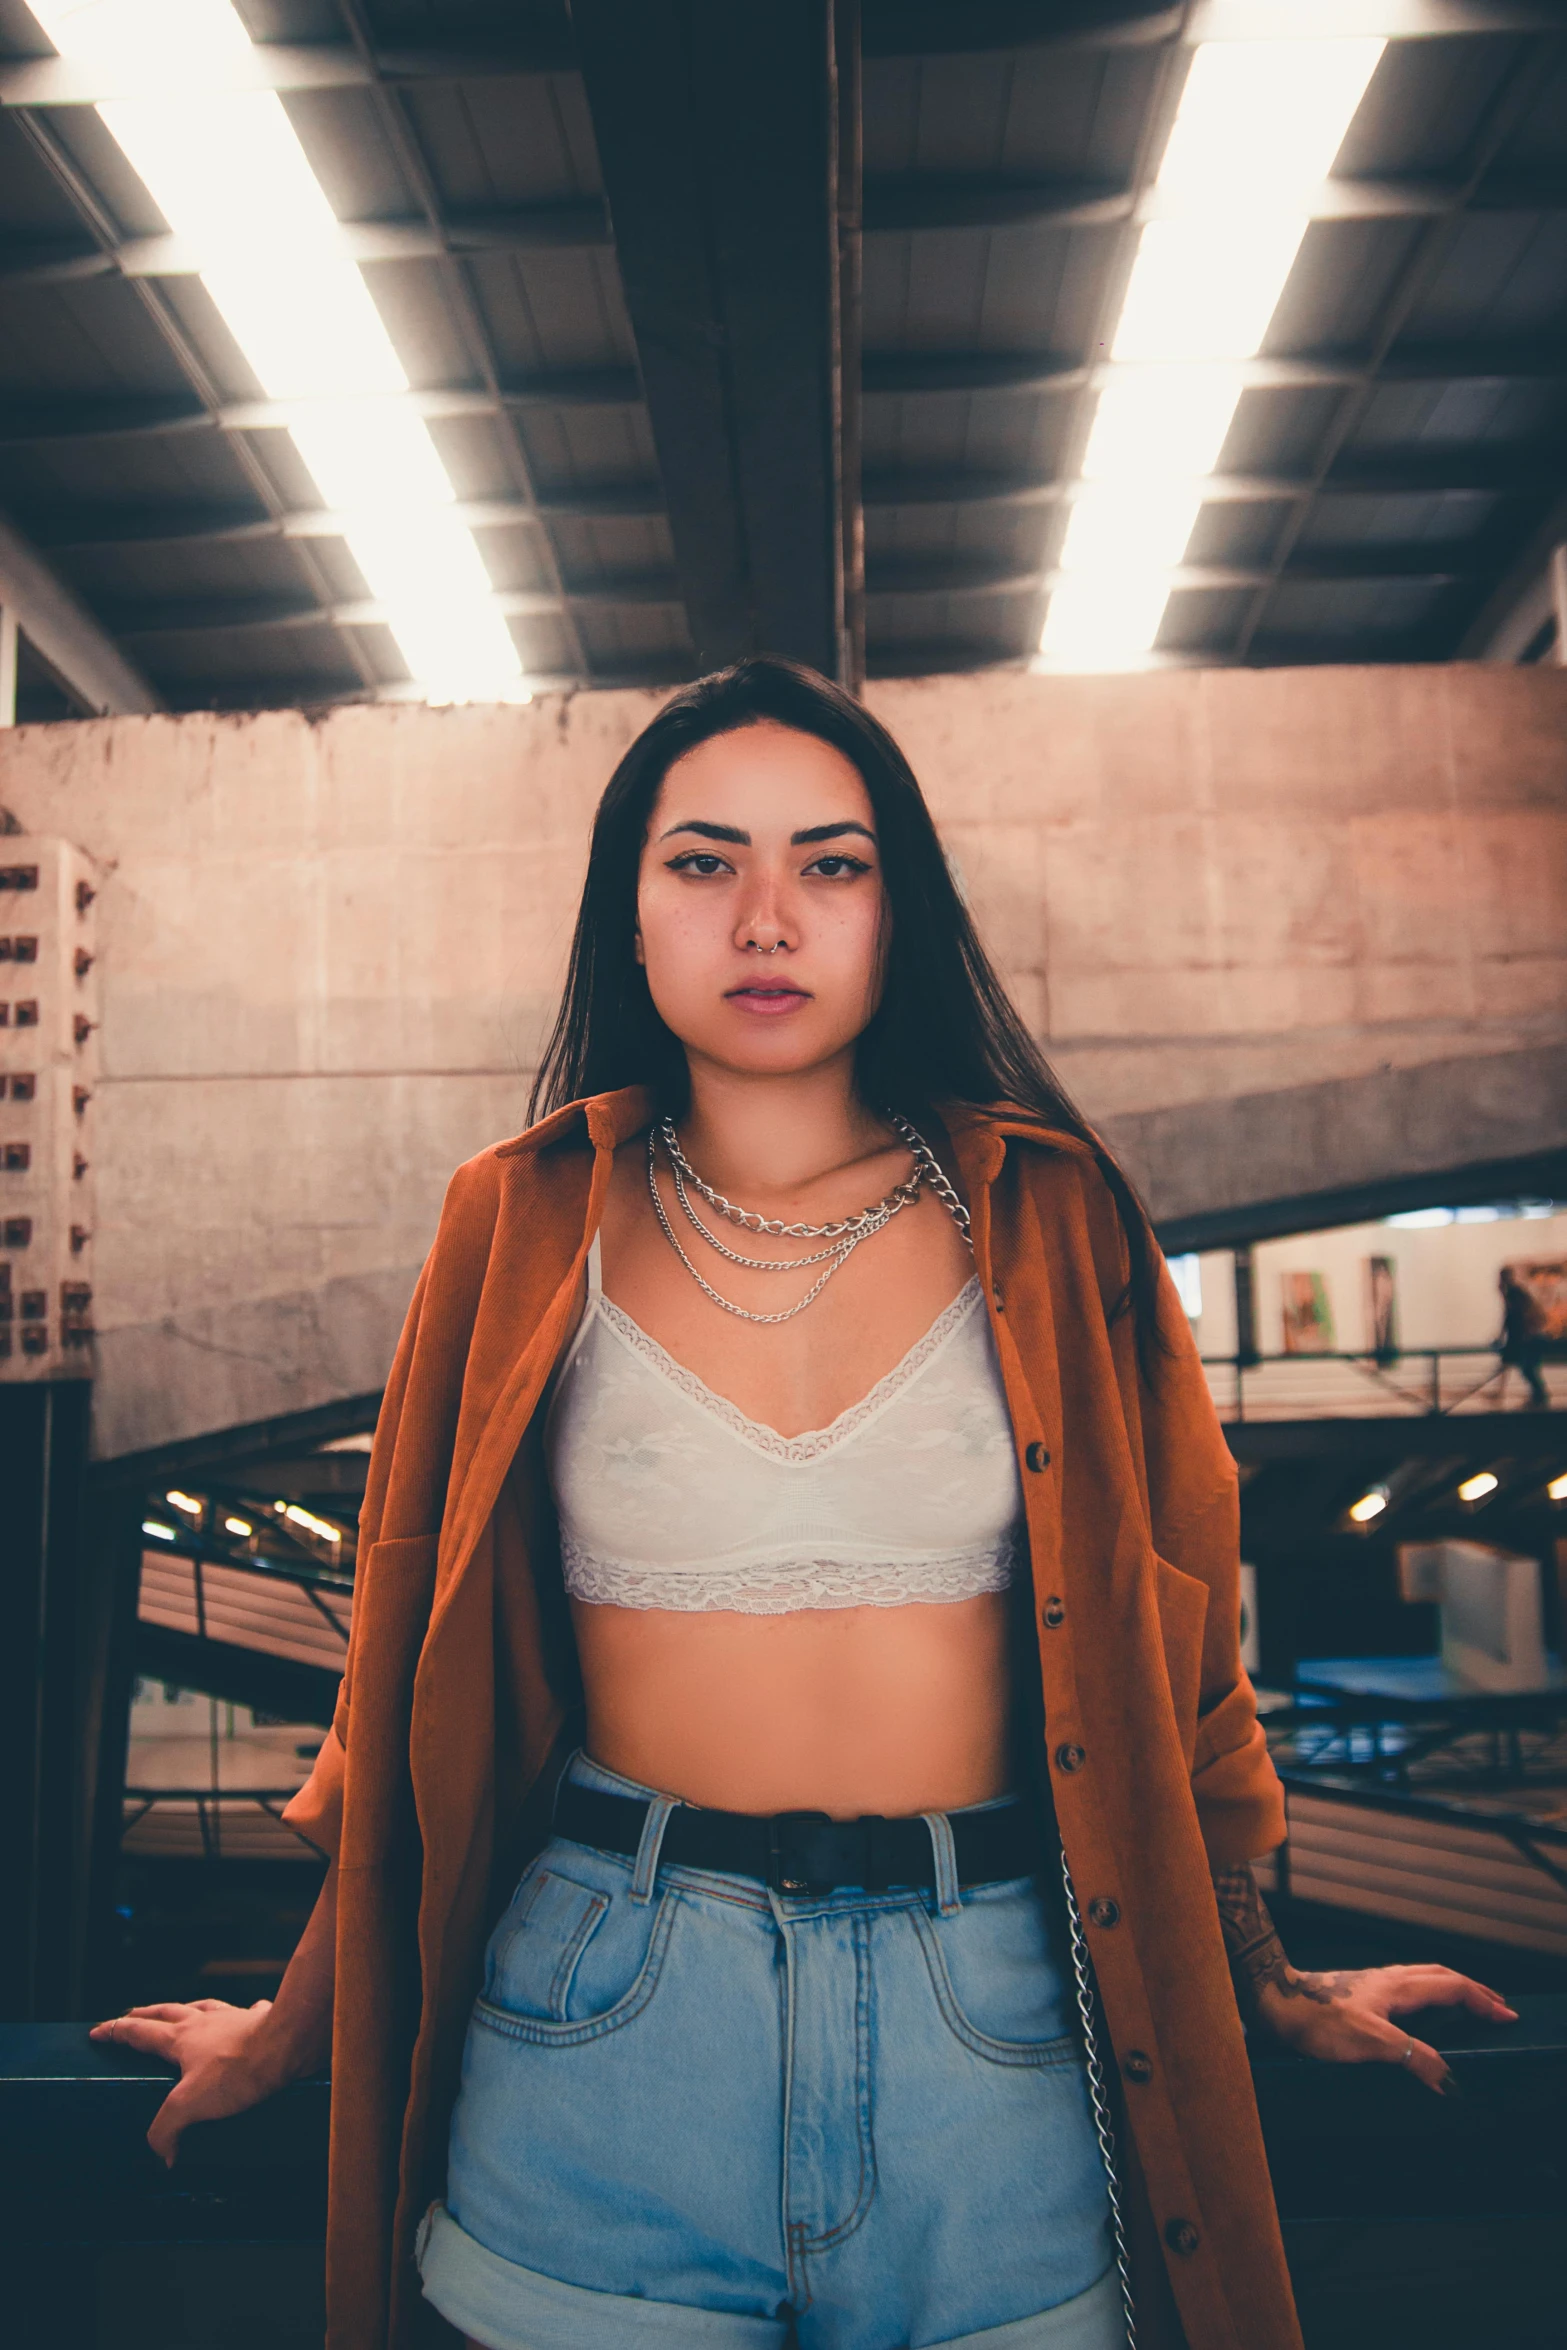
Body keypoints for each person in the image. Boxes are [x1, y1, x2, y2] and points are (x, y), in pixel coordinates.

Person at [92, 660, 1515, 2350]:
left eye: (829, 865)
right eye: (703, 864)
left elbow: (1184, 1670)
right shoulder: (518, 1222)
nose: (766, 916)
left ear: (893, 911)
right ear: (630, 917)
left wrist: (1261, 1982)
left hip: (992, 2034)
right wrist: (289, 2032)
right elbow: (406, 1704)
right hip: (605, 2018)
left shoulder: (1054, 1220)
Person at [1497, 1266, 1550, 1409]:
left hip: (1522, 1337)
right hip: (1522, 1336)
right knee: (1523, 1366)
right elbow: (1510, 1316)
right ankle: (1537, 1396)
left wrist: (1503, 1335)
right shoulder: (1515, 1292)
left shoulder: (1514, 1293)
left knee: (1524, 1367)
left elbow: (1511, 1316)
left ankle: (1538, 1396)